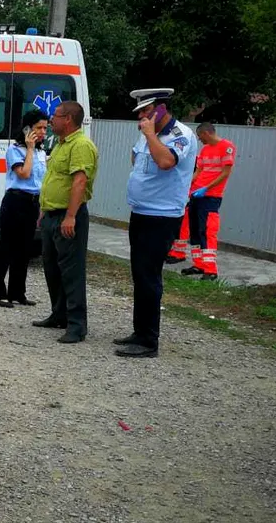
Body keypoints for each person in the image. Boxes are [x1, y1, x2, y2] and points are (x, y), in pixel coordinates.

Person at [115, 88, 197, 358]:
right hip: (141, 212)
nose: (141, 118)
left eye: (146, 112)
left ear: (161, 109)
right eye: (139, 114)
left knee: (149, 276)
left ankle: (149, 341)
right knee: (140, 274)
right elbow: (136, 158)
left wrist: (150, 135)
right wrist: (148, 137)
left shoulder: (180, 135)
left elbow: (165, 162)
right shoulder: (148, 136)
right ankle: (140, 331)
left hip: (162, 216)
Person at [32, 101, 98, 344]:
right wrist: (43, 208)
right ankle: (58, 315)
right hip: (51, 215)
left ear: (68, 119)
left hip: (68, 217)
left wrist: (70, 216)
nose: (51, 120)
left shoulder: (80, 145)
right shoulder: (60, 144)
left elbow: (79, 182)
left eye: (56, 116)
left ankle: (77, 326)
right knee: (52, 268)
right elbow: (53, 178)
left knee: (71, 272)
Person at [0, 109, 49, 308]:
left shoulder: (42, 152)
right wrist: (30, 149)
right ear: (27, 128)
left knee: (24, 249)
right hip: (15, 201)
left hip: (32, 201)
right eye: (39, 127)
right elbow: (23, 173)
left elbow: (42, 180)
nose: (42, 132)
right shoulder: (14, 150)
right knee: (7, 246)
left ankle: (18, 292)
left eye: (45, 128)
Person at [165, 122, 235, 280]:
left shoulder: (226, 146)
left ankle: (211, 270)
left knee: (208, 231)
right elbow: (199, 171)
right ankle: (199, 264)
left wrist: (207, 188)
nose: (199, 139)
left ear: (207, 133)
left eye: (200, 136)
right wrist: (188, 185)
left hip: (211, 196)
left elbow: (225, 172)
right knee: (195, 231)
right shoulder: (205, 150)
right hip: (196, 194)